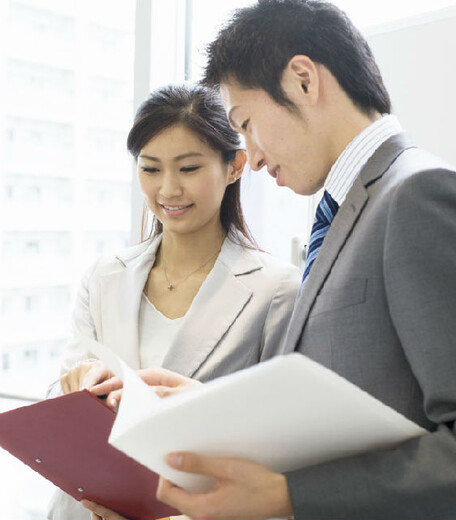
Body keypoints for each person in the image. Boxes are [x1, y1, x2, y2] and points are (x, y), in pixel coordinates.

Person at [87, 1, 456, 519]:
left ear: (304, 80)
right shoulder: (353, 209)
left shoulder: (417, 195)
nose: (254, 157)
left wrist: (288, 494)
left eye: (248, 123)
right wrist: (209, 408)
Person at [46, 83, 301, 520]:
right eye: (150, 169)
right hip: (84, 507)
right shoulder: (104, 276)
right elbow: (55, 403)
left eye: (188, 168)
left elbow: (280, 438)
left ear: (235, 166)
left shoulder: (277, 290)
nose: (168, 189)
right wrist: (77, 386)